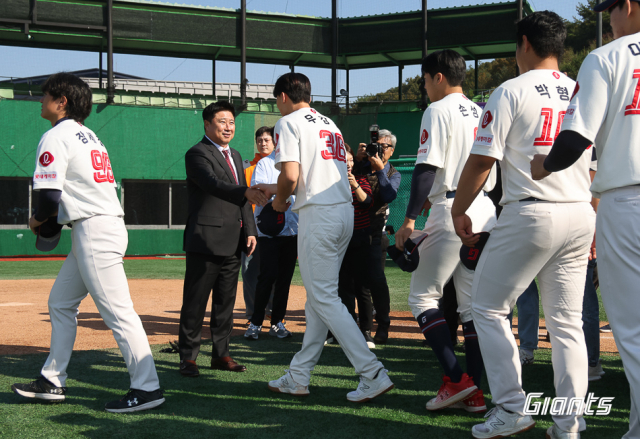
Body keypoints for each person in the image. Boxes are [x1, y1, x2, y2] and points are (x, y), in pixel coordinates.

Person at [453, 11, 595, 439]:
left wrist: (460, 208)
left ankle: (512, 406)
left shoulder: (510, 90)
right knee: (567, 324)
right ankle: (569, 423)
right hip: (580, 211)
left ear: (526, 44)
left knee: (488, 307)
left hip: (533, 212)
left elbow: (482, 160)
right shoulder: (580, 89)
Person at [11, 73, 165, 413]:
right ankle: (53, 380)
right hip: (96, 227)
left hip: (94, 230)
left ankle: (147, 387)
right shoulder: (89, 136)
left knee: (119, 313)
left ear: (61, 101)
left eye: (45, 95)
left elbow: (49, 199)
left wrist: (36, 222)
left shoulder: (56, 135)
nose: (41, 100)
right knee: (60, 303)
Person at [530, 1, 640, 436]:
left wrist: (543, 166)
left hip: (627, 198)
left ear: (627, 6)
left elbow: (576, 135)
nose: (609, 19)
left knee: (631, 328)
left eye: (610, 9)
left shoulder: (607, 57)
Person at [260, 72, 393, 402]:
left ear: (283, 97)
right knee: (319, 298)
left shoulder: (289, 122)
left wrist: (278, 203)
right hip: (343, 212)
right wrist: (278, 191)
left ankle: (372, 372)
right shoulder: (329, 123)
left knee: (324, 298)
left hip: (319, 215)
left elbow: (291, 177)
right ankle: (299, 375)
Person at [394, 49, 497, 413]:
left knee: (422, 297)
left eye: (424, 80)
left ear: (438, 76)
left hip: (453, 208)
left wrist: (408, 220)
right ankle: (476, 393)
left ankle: (458, 381)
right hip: (485, 208)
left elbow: (426, 168)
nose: (424, 88)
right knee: (471, 308)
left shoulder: (437, 109)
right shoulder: (482, 110)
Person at [178, 101, 265, 378]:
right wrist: (246, 191)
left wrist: (250, 230)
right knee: (195, 302)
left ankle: (221, 355)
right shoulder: (196, 153)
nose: (228, 127)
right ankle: (188, 359)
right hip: (204, 240)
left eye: (231, 122)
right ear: (207, 124)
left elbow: (243, 202)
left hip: (234, 240)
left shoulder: (237, 155)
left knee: (225, 303)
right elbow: (212, 183)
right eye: (222, 122)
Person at [244, 134, 299, 340]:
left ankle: (277, 322)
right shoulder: (265, 163)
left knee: (285, 279)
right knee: (266, 277)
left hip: (292, 229)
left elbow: (300, 189)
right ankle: (256, 322)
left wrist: (275, 191)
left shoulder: (297, 163)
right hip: (268, 231)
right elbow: (259, 192)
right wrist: (283, 192)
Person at [353, 129, 401, 344]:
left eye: (383, 147)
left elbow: (389, 195)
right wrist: (356, 158)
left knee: (377, 281)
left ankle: (383, 325)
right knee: (356, 282)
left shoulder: (393, 173)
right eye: (376, 146)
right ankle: (362, 327)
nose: (378, 151)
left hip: (375, 233)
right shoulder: (359, 167)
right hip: (353, 231)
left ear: (391, 150)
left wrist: (380, 171)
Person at [334, 144, 376, 349]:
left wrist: (354, 185)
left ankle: (366, 332)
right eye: (345, 160)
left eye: (351, 160)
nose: (348, 164)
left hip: (360, 238)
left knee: (363, 287)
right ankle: (346, 331)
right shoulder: (332, 184)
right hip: (340, 240)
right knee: (343, 287)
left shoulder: (360, 180)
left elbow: (367, 201)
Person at [241, 127, 276, 322]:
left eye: (267, 140)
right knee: (249, 272)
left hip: (274, 228)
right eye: (259, 140)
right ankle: (253, 313)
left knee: (273, 272)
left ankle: (272, 311)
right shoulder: (246, 168)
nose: (263, 143)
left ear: (274, 142)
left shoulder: (281, 165)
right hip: (250, 228)